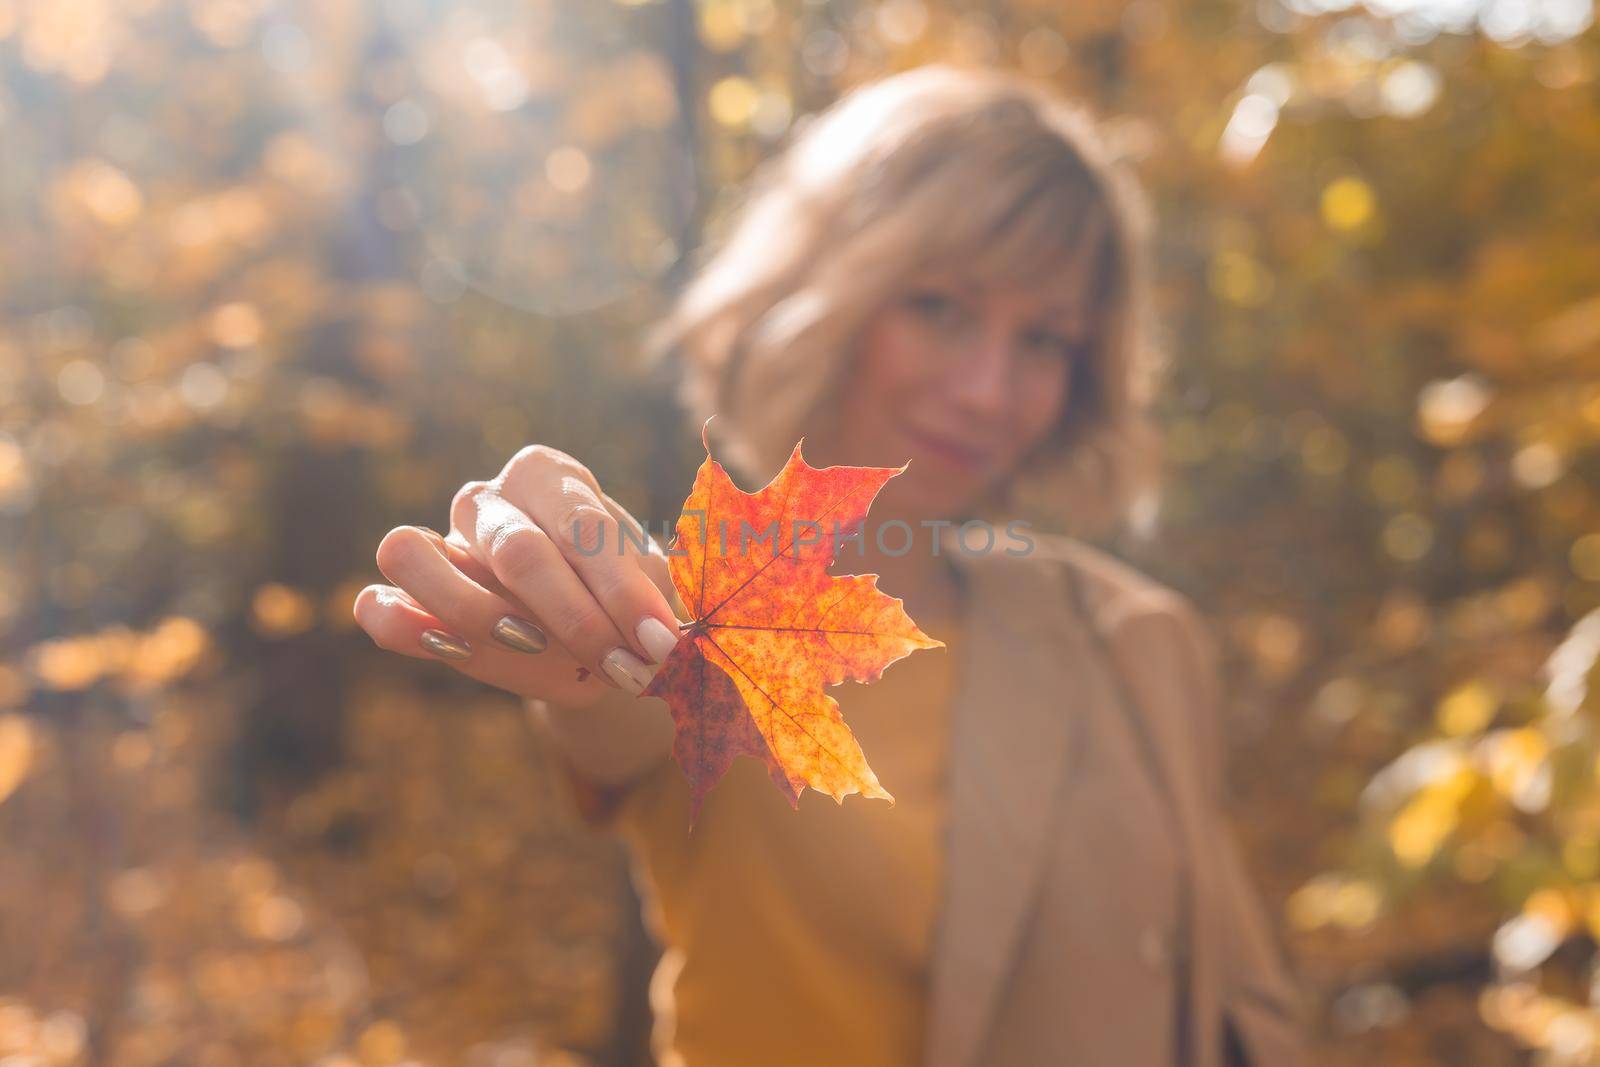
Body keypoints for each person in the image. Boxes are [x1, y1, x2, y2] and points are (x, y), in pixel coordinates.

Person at [354, 64, 1312, 1067]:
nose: (988, 387)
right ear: (820, 290)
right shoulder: (686, 620)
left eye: (1045, 339)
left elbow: (1234, 1003)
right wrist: (555, 577)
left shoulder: (1129, 632)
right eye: (939, 306)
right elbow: (605, 690)